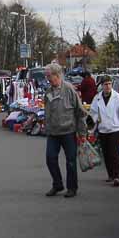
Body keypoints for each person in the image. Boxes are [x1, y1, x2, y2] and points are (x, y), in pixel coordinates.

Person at [43, 63, 87, 198]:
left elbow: (80, 112)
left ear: (57, 75)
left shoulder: (69, 89)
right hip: (53, 132)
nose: (47, 79)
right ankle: (57, 184)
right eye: (47, 76)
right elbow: (47, 110)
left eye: (49, 76)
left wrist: (83, 133)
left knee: (70, 161)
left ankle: (72, 188)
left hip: (68, 131)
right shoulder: (48, 91)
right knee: (50, 158)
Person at [89, 75, 119, 187]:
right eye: (105, 84)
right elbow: (93, 112)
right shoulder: (97, 98)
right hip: (103, 129)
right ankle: (110, 175)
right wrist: (95, 120)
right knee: (106, 154)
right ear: (102, 86)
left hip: (115, 128)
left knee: (114, 153)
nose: (108, 86)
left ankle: (116, 176)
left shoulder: (118, 97)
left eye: (109, 84)